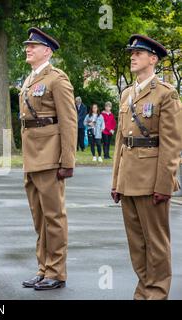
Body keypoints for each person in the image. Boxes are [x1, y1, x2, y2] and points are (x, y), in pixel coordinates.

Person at [111, 35, 182, 300]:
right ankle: (144, 289)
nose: (133, 56)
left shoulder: (166, 94)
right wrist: (115, 180)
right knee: (137, 243)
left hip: (152, 179)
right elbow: (121, 140)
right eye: (132, 52)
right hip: (129, 179)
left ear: (153, 59)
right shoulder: (128, 94)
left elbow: (172, 144)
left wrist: (164, 184)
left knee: (157, 243)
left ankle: (157, 292)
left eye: (139, 53)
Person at [19, 28, 77, 290]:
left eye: (34, 46)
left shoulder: (57, 79)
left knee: (54, 217)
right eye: (27, 45)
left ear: (48, 51)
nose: (28, 49)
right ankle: (43, 267)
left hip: (50, 155)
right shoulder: (29, 80)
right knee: (39, 217)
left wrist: (67, 160)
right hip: (32, 156)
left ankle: (56, 270)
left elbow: (69, 122)